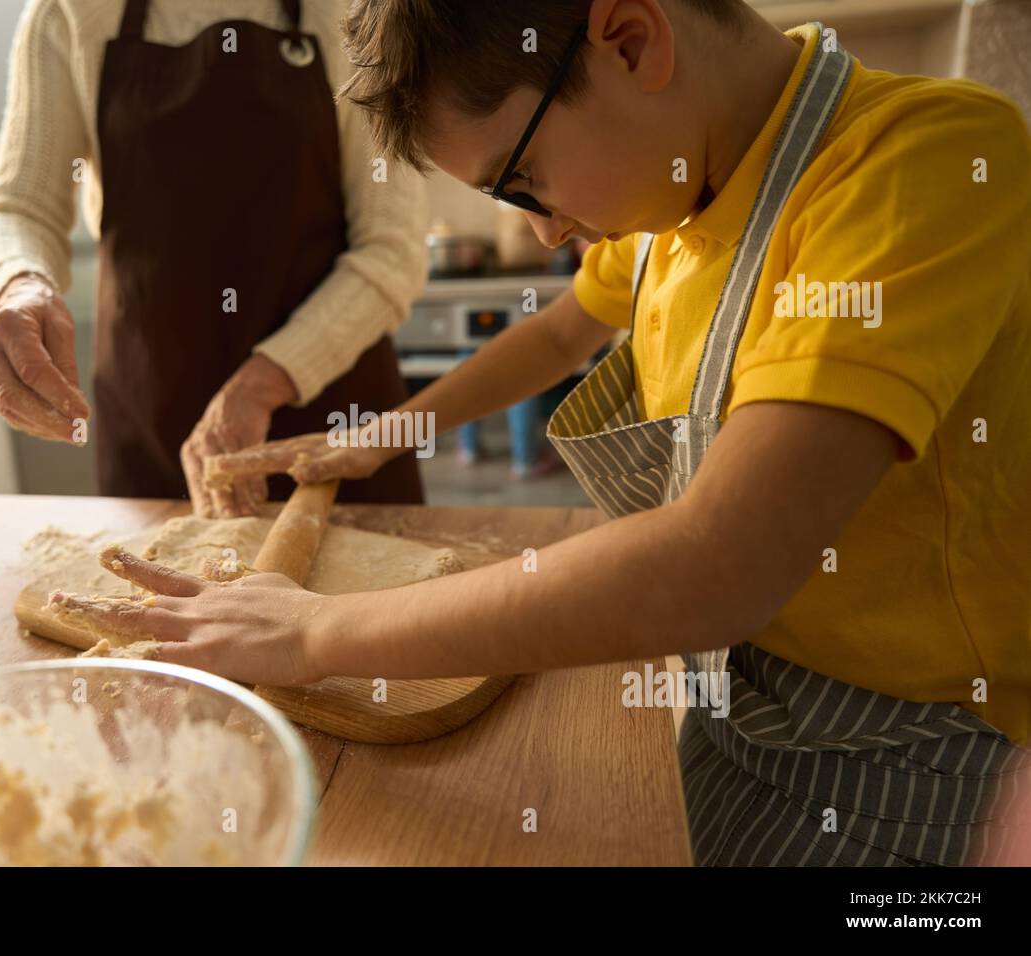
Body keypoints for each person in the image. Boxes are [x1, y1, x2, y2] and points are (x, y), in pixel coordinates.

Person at [54, 0, 1031, 865]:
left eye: (522, 182)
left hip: (917, 766)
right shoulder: (681, 198)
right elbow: (559, 329)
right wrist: (382, 434)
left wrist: (314, 630)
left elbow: (721, 563)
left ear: (630, 39)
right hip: (737, 710)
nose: (546, 233)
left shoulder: (917, 166)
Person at [0, 0, 428, 516]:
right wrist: (17, 283)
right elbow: (18, 209)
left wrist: (263, 383)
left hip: (337, 426)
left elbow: (393, 249)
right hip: (153, 421)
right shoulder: (69, 13)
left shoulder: (354, 10)